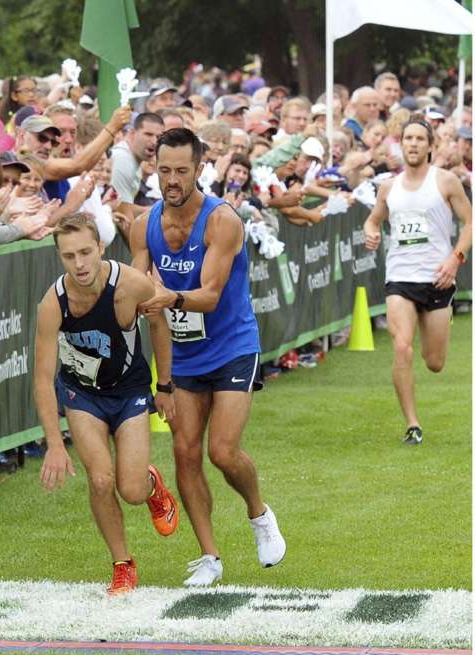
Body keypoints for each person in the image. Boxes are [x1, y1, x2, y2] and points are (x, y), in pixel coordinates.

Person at [130, 127, 286, 586]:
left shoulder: (223, 220)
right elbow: (136, 288)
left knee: (222, 450)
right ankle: (209, 556)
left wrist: (165, 297)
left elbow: (211, 295)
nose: (172, 180)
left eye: (182, 171)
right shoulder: (143, 225)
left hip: (233, 345)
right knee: (184, 451)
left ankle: (259, 514)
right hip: (183, 356)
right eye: (164, 170)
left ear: (200, 169)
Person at [32, 213, 180, 595]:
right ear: (60, 257)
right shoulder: (53, 303)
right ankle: (122, 564)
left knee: (131, 490)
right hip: (82, 395)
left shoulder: (130, 284)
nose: (79, 264)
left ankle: (152, 484)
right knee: (100, 480)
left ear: (101, 247)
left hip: (129, 390)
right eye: (69, 256)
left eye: (85, 252)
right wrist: (54, 444)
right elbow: (42, 378)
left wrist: (165, 385)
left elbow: (159, 324)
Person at [362, 118, 472, 444]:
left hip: (437, 277)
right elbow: (373, 220)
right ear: (401, 144)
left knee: (435, 362)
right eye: (408, 138)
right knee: (401, 346)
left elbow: (469, 223)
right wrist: (370, 232)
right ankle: (412, 424)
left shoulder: (446, 181)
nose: (413, 144)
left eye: (419, 139)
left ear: (430, 146)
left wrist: (455, 258)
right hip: (400, 277)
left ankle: (438, 321)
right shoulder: (388, 187)